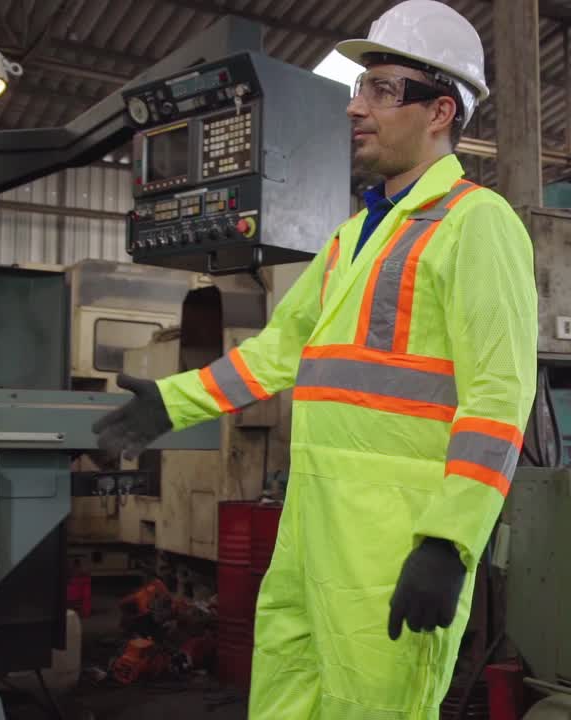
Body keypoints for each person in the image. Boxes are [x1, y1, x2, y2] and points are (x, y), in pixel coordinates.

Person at [92, 1, 538, 716]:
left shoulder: (478, 225)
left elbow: (498, 398)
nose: (357, 108)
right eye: (359, 88)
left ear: (440, 111)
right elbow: (279, 353)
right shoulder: (353, 236)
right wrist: (172, 404)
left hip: (392, 542)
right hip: (312, 525)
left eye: (382, 90)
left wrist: (449, 543)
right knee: (283, 696)